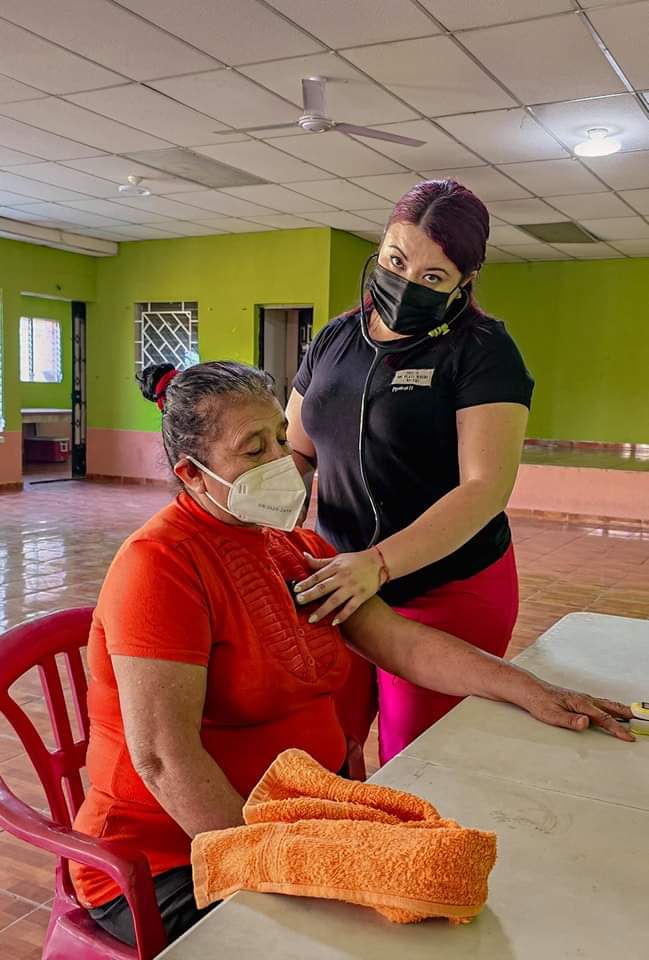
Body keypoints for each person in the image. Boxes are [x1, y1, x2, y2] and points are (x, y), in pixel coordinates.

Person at [72, 361, 632, 948]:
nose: (281, 462)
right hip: (178, 857)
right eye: (254, 450)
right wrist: (274, 862)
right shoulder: (160, 567)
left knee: (454, 887)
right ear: (192, 473)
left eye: (280, 440)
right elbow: (164, 759)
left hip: (299, 818)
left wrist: (533, 689)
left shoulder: (293, 548)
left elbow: (402, 642)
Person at [287, 178, 534, 764]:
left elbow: (485, 488)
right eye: (397, 261)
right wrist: (253, 515)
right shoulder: (335, 338)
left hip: (445, 586)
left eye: (433, 276)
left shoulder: (483, 350)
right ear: (381, 245)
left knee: (418, 760)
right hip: (338, 581)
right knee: (329, 744)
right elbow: (296, 450)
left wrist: (378, 563)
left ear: (464, 282)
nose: (405, 282)